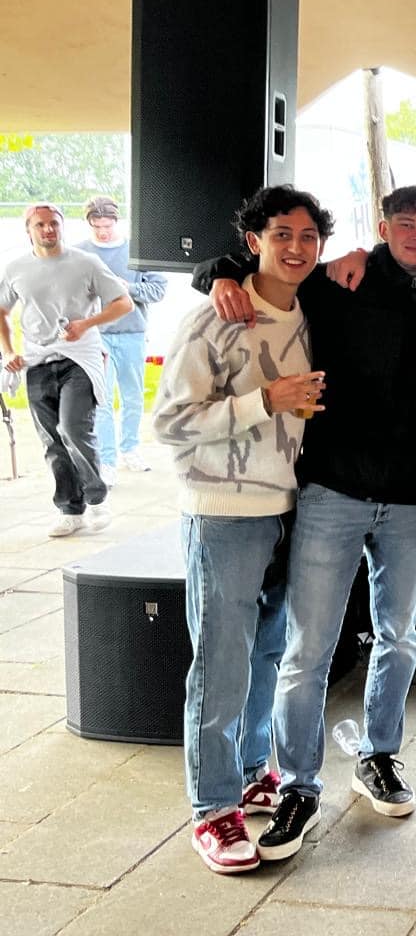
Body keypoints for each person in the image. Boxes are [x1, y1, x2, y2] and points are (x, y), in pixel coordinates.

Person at [193, 185, 416, 860]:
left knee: (399, 636)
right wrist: (218, 275)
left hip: (411, 495)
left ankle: (379, 755)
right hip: (330, 490)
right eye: (405, 222)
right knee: (307, 649)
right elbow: (263, 268)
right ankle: (298, 784)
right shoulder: (337, 279)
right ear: (384, 227)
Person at [152, 185, 331, 874]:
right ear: (254, 242)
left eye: (308, 236)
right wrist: (265, 401)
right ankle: (213, 808)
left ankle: (254, 770)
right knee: (221, 664)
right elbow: (169, 423)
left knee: (267, 654)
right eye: (282, 235)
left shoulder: (310, 311)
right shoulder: (213, 317)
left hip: (290, 510)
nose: (296, 248)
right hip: (223, 513)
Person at [0, 202, 132, 537]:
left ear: (62, 226)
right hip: (37, 361)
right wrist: (9, 351)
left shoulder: (85, 263)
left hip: (80, 357)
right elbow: (1, 311)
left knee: (73, 427)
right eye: (40, 224)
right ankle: (70, 510)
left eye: (54, 223)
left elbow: (123, 303)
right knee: (52, 440)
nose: (48, 229)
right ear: (28, 230)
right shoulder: (16, 268)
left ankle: (97, 498)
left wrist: (85, 324)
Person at [77, 195, 167, 482]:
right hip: (96, 336)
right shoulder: (79, 254)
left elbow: (158, 290)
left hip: (132, 333)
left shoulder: (136, 252)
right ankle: (107, 459)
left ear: (116, 221)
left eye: (107, 225)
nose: (103, 231)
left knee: (132, 395)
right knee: (102, 398)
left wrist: (128, 288)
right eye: (97, 226)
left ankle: (130, 448)